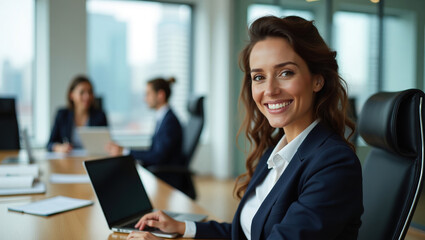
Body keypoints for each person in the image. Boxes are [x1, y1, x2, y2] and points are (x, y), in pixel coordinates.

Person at [126, 16, 363, 240]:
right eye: (259, 77)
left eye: (285, 73)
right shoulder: (274, 153)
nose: (269, 90)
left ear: (317, 80)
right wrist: (183, 227)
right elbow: (247, 232)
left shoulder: (333, 163)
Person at [106, 77, 184, 168]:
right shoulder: (163, 118)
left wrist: (125, 152)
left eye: (148, 94)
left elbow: (158, 157)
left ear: (160, 95)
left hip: (165, 175)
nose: (145, 99)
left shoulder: (170, 122)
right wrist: (125, 151)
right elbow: (154, 152)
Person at [47, 75, 108, 153]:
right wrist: (60, 148)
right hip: (68, 160)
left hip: (91, 159)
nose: (87, 96)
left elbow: (106, 144)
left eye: (90, 92)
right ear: (71, 95)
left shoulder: (100, 116)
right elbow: (49, 144)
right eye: (82, 92)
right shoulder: (62, 115)